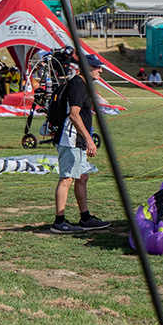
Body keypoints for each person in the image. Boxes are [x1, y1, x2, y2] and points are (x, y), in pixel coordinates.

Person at [52, 56, 111, 233]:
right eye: (96, 67)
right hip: (69, 139)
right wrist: (89, 139)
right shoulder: (78, 84)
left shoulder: (82, 84)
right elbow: (74, 115)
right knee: (67, 178)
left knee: (82, 177)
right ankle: (59, 222)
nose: (100, 70)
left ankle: (85, 218)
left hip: (75, 139)